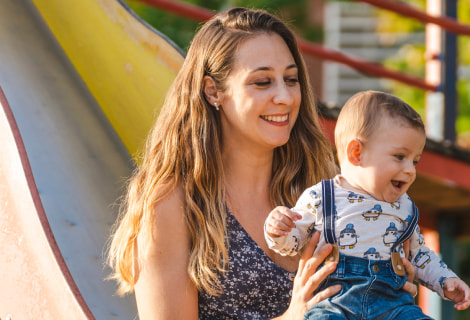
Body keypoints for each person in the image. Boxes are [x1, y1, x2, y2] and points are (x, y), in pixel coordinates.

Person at [105, 8, 415, 319]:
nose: (285, 97)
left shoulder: (327, 183)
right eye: (263, 82)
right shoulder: (173, 203)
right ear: (213, 91)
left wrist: (389, 292)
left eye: (291, 79)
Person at [264, 91, 470, 319]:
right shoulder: (321, 197)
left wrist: (446, 279)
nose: (410, 170)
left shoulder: (404, 207)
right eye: (400, 156)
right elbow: (293, 242)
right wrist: (278, 230)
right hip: (334, 303)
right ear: (357, 153)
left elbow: (419, 254)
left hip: (393, 306)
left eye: (415, 161)